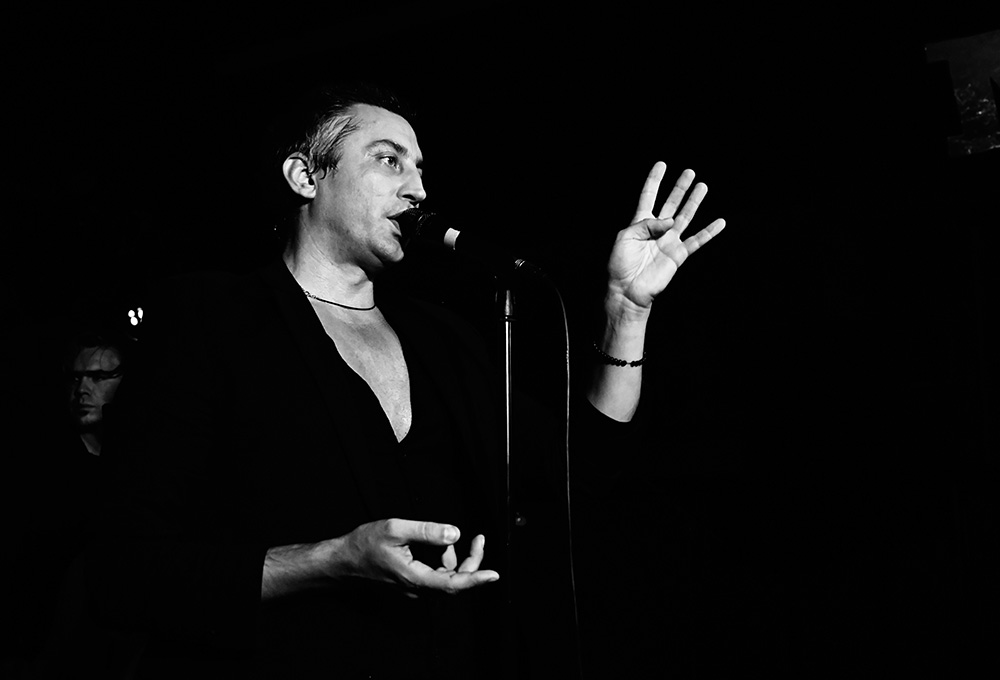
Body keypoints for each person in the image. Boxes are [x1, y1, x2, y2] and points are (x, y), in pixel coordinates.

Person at [92, 83, 726, 679]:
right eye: (389, 160)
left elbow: (577, 469)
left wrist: (625, 312)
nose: (419, 188)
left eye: (420, 168)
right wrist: (332, 560)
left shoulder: (444, 340)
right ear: (306, 176)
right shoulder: (213, 318)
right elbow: (127, 568)